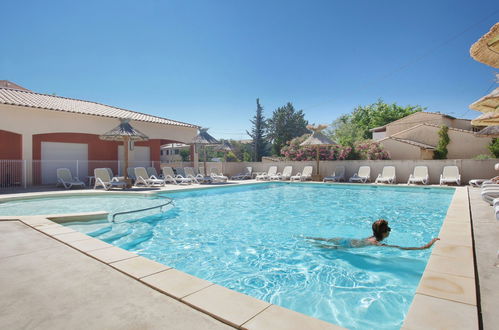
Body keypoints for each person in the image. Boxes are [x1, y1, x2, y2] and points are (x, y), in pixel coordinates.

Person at [306, 219, 439, 250]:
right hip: (347, 246)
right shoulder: (376, 243)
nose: (390, 231)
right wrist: (427, 245)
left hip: (345, 240)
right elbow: (401, 248)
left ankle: (306, 238)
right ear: (384, 232)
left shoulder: (371, 237)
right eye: (389, 229)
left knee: (323, 240)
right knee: (324, 247)